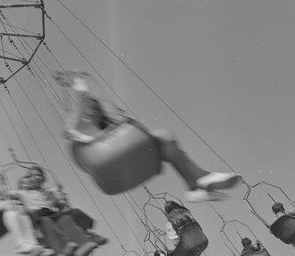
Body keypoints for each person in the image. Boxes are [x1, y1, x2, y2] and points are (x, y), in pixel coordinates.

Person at [54, 71, 241, 203]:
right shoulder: (79, 120)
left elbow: (123, 125)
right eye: (91, 108)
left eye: (96, 108)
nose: (94, 110)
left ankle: (197, 182)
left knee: (165, 138)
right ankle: (197, 183)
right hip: (107, 166)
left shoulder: (108, 122)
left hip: (123, 161)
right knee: (160, 138)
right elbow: (71, 131)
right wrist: (78, 90)